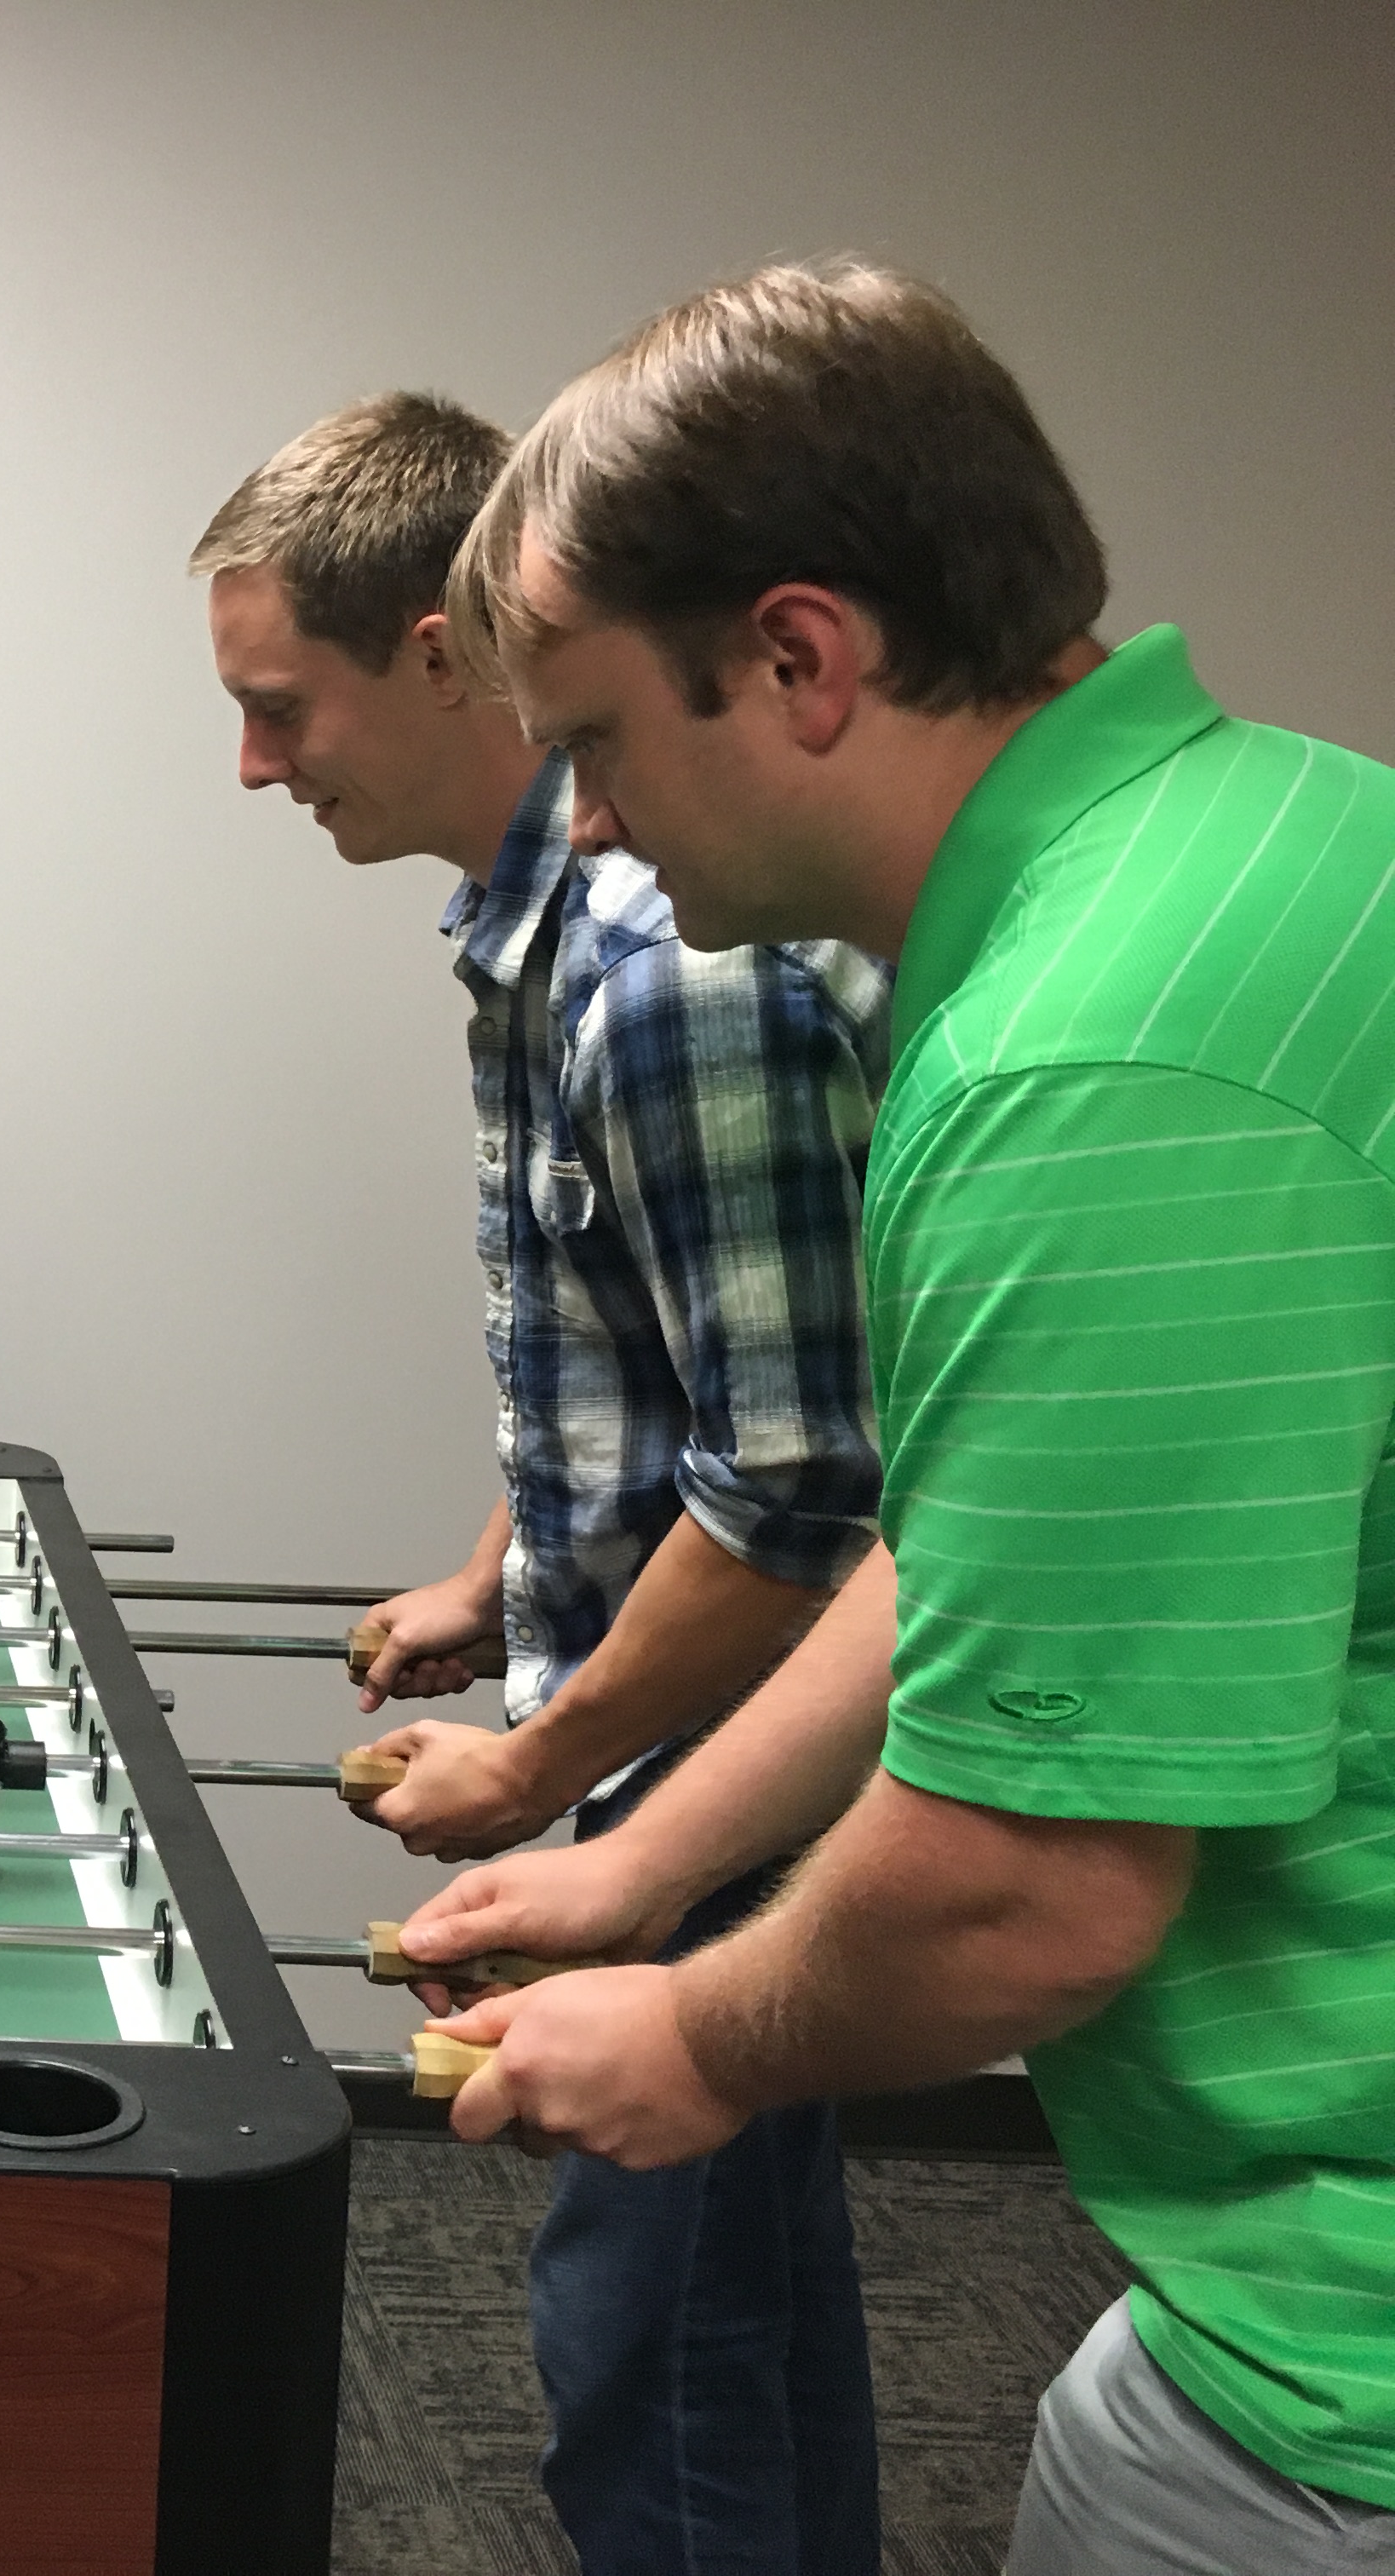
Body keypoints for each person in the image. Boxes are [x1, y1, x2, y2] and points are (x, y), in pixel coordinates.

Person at [404, 260, 1395, 2571]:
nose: (598, 826)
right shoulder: (1270, 835)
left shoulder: (1095, 1065)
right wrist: (641, 1871)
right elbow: (978, 1542)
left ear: (801, 660)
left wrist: (697, 2041)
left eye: (606, 739)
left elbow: (1026, 1895)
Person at [193, 393, 891, 2573]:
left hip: (723, 1780)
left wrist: (540, 1767)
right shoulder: (533, 940)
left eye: (273, 705)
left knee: (656, 2372)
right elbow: (644, 1339)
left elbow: (802, 1481)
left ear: (434, 647)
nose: (251, 768)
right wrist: (500, 1580)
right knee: (737, 2333)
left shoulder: (663, 966)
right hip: (670, 1733)